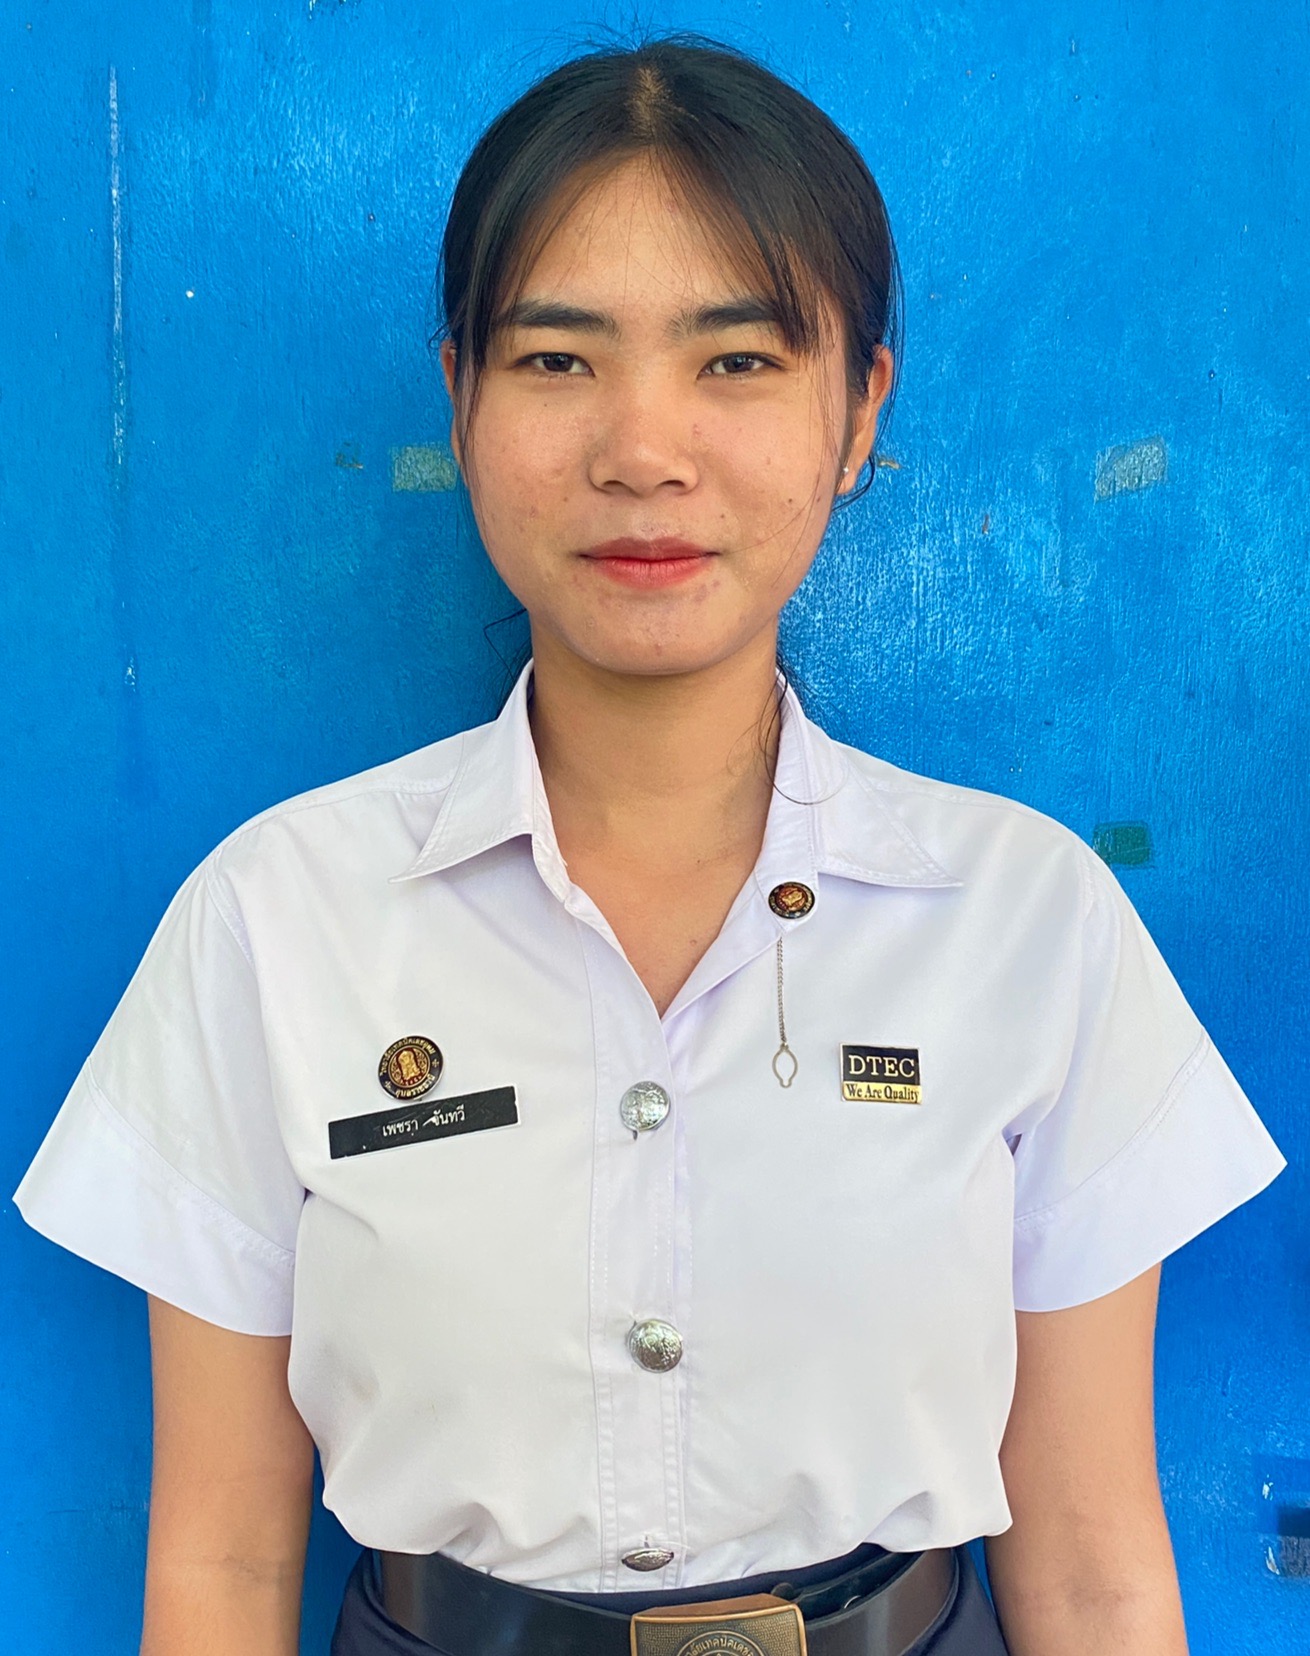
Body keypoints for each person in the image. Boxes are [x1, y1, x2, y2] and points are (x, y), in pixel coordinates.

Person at [14, 35, 1285, 1656]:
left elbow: (1095, 1567)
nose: (642, 449)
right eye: (556, 359)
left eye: (735, 360)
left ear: (858, 409)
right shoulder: (277, 918)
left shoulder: (1027, 918)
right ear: (461, 394)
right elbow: (220, 1565)